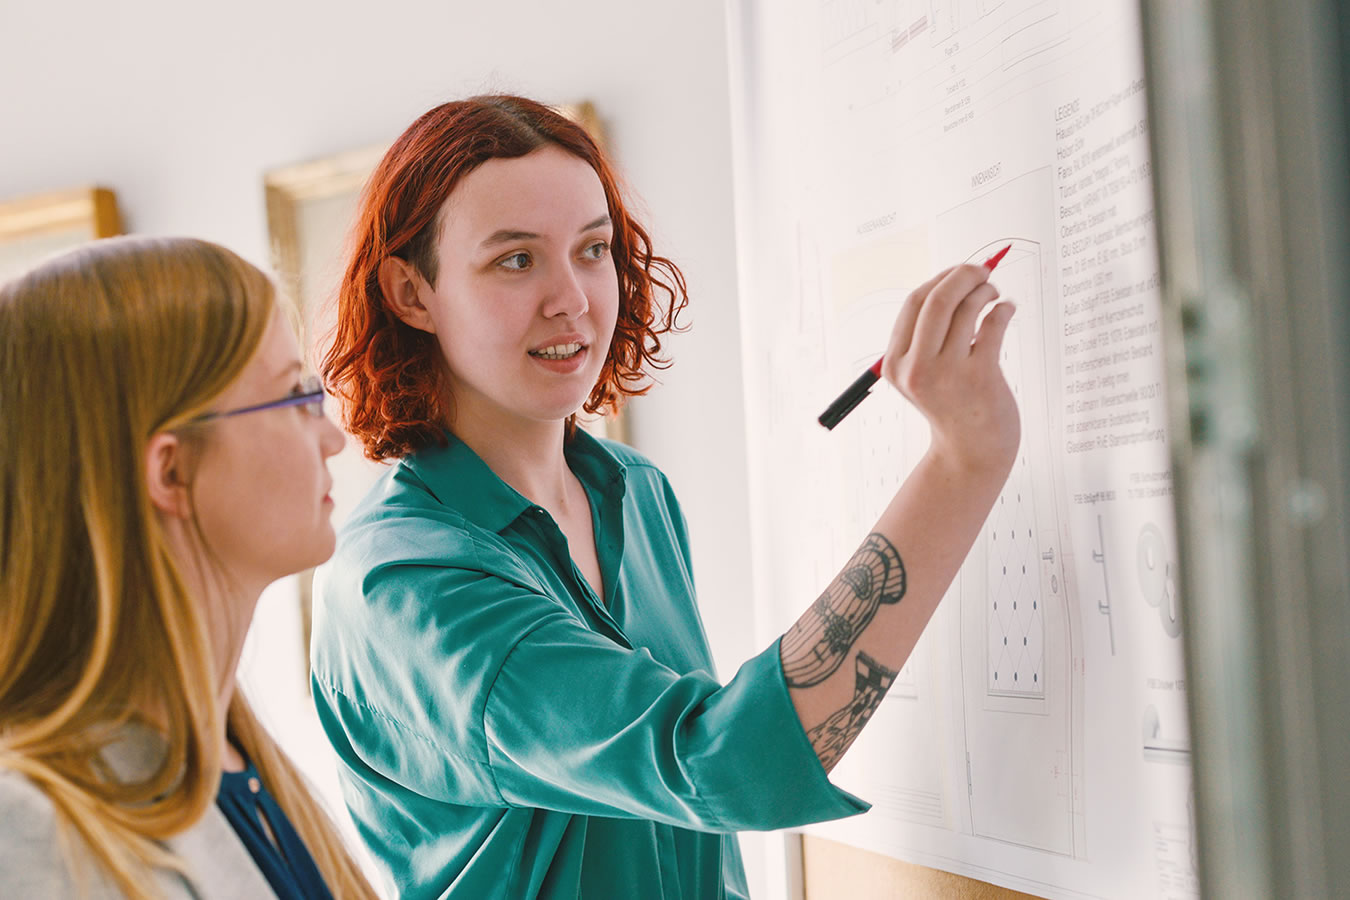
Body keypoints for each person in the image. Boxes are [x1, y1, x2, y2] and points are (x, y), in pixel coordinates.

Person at [313, 94, 1019, 899]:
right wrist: (966, 461)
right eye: (516, 259)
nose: (572, 298)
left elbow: (689, 837)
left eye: (592, 249)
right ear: (411, 294)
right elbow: (721, 763)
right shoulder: (405, 582)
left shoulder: (635, 494)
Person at [0, 236, 379, 899]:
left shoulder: (241, 764)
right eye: (294, 396)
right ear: (171, 471)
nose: (332, 436)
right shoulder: (32, 832)